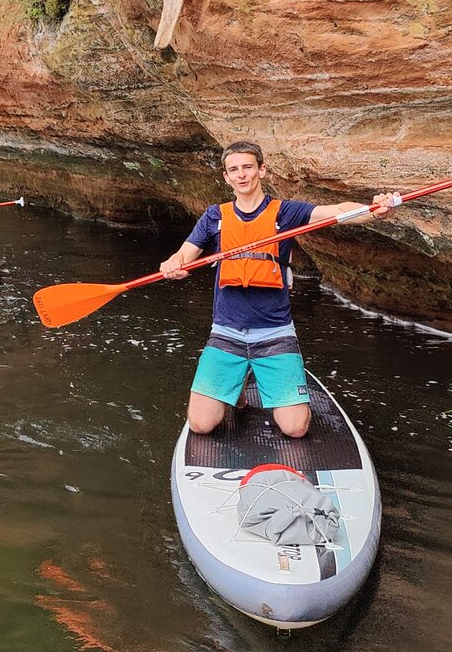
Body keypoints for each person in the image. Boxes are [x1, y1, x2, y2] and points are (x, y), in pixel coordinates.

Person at [159, 141, 400, 439]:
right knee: (201, 424)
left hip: (274, 332)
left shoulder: (285, 213)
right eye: (234, 170)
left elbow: (337, 212)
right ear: (226, 177)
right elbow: (184, 255)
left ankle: (257, 380)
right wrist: (173, 265)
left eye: (247, 167)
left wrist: (375, 211)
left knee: (295, 428)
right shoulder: (214, 216)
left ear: (262, 170)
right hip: (227, 332)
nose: (241, 175)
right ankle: (237, 387)